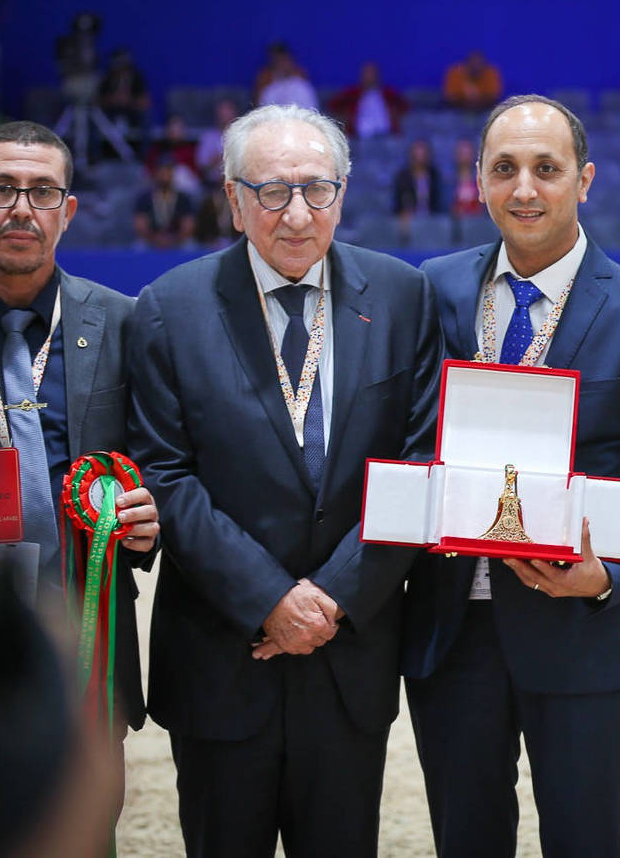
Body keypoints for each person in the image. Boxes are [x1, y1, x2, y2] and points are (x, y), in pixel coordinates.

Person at [126, 103, 444, 857]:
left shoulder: (404, 298)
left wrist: (331, 597)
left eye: (318, 189)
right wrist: (269, 599)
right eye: (272, 192)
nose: (297, 213)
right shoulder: (169, 310)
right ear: (234, 200)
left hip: (348, 656)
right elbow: (165, 476)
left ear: (344, 190)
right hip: (219, 660)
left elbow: (420, 462)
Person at [403, 95, 620, 858]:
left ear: (585, 179)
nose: (525, 188)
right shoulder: (431, 291)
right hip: (451, 634)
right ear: (479, 180)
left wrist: (608, 574)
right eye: (504, 169)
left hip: (582, 636)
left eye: (547, 168)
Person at [0, 120, 162, 828]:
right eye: (3, 189)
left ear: (68, 209)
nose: (22, 207)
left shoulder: (123, 322)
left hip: (86, 639)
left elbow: (160, 462)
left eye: (43, 190)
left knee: (77, 830)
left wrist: (148, 517)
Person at [327, 60, 408, 139]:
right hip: (358, 135)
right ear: (361, 75)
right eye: (367, 73)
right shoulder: (352, 93)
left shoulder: (388, 93)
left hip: (386, 134)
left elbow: (405, 105)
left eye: (372, 73)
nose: (369, 77)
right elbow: (332, 105)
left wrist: (395, 114)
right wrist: (345, 115)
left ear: (378, 75)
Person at [133, 154, 198, 249]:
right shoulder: (145, 198)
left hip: (177, 240)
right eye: (161, 170)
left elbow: (188, 226)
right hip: (151, 240)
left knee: (190, 246)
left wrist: (174, 239)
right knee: (139, 247)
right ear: (155, 173)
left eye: (168, 170)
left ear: (173, 173)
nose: (164, 174)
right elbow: (140, 225)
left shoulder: (183, 198)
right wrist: (154, 238)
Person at [393, 137, 444, 240]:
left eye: (423, 154)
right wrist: (402, 213)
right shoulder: (403, 176)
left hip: (432, 218)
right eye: (417, 154)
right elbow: (397, 203)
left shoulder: (434, 175)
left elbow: (440, 202)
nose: (420, 158)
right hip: (409, 220)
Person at [254, 42, 316, 109]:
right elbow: (261, 109)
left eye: (284, 60)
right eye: (277, 61)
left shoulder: (302, 85)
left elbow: (311, 109)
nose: (282, 64)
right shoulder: (268, 86)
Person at [450, 136, 484, 216]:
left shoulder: (482, 181)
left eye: (468, 153)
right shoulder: (448, 182)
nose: (465, 157)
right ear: (456, 155)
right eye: (462, 153)